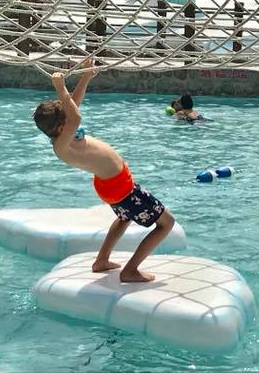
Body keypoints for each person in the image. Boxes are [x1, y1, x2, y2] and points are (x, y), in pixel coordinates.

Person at [33, 59, 175, 283]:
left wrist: (85, 77)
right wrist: (60, 89)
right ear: (61, 126)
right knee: (166, 223)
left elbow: (74, 108)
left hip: (112, 184)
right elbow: (76, 116)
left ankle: (102, 260)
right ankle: (130, 271)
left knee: (124, 218)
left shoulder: (63, 132)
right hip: (120, 187)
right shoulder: (61, 146)